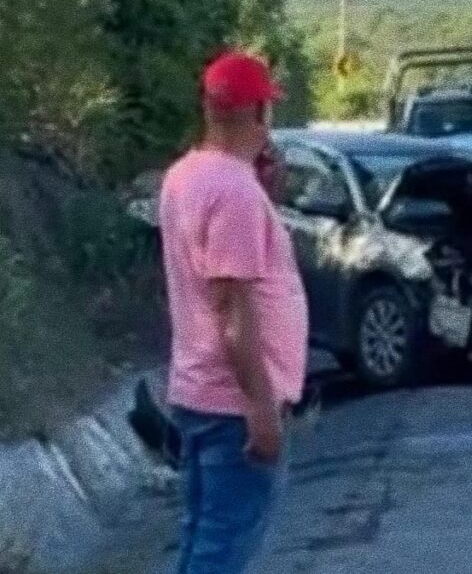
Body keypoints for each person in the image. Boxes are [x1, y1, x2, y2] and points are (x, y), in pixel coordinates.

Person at [159, 49, 308, 574]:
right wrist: (261, 409)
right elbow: (231, 306)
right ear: (259, 113)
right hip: (232, 403)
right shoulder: (232, 191)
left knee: (203, 534)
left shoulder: (185, 176)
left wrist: (262, 189)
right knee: (224, 549)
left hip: (198, 390)